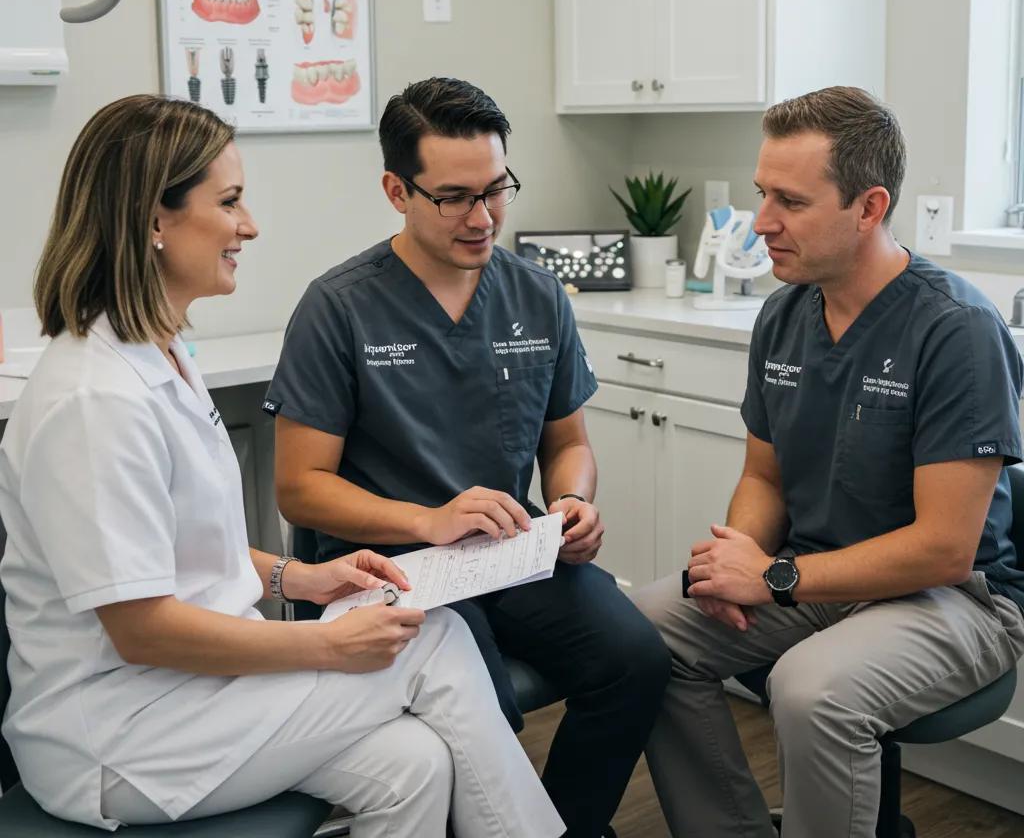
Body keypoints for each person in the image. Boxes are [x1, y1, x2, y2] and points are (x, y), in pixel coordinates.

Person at [0, 95, 564, 838]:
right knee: (432, 638)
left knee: (415, 764)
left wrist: (295, 579)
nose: (250, 225)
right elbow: (141, 629)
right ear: (152, 220)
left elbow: (177, 550)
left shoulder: (158, 353)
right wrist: (322, 642)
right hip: (120, 731)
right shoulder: (94, 399)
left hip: (188, 694)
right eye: (229, 202)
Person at [265, 76, 670, 838]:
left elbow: (568, 442)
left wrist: (572, 502)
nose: (482, 218)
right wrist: (428, 518)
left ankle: (568, 823)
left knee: (637, 662)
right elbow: (299, 489)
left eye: (497, 190)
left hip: (507, 554)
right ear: (397, 189)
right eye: (454, 197)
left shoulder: (537, 295)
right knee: (476, 704)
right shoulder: (339, 307)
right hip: (386, 568)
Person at [633, 86, 1024, 838]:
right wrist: (738, 555)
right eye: (761, 194)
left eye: (791, 201)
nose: (763, 222)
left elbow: (945, 550)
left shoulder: (956, 331)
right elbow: (765, 476)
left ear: (868, 207)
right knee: (644, 631)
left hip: (957, 599)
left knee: (811, 689)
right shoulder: (786, 310)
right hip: (816, 571)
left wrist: (774, 577)